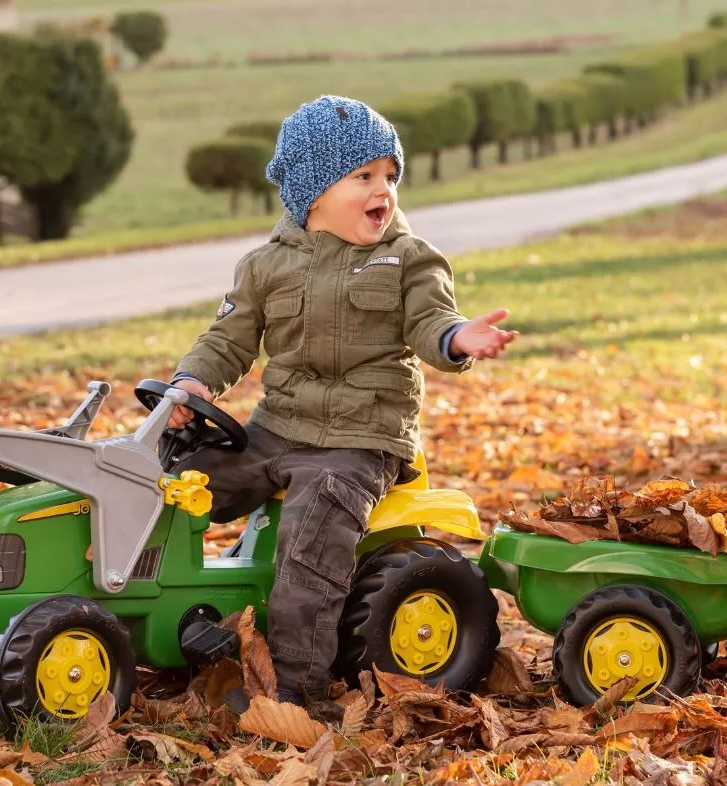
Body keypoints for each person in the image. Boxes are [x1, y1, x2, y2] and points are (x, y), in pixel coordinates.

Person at [167, 95, 515, 707]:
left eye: (390, 176)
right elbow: (228, 339)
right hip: (277, 429)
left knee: (313, 536)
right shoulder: (266, 266)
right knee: (173, 483)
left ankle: (296, 690)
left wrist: (460, 337)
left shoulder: (408, 259)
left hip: (360, 441)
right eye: (364, 176)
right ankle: (153, 618)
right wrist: (192, 382)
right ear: (314, 190)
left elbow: (433, 320)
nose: (384, 189)